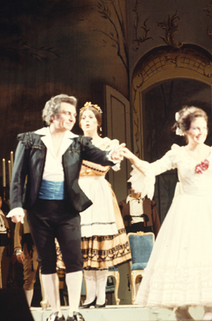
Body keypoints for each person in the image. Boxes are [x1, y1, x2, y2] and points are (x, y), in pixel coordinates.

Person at [120, 106, 212, 320]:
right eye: (195, 128)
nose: (200, 132)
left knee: (208, 254)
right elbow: (151, 169)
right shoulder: (177, 153)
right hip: (185, 209)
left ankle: (209, 307)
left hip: (211, 210)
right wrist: (130, 156)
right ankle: (182, 307)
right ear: (186, 130)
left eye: (204, 128)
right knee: (185, 255)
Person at [7, 94, 123, 321]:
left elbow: (100, 156)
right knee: (47, 261)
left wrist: (111, 155)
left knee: (74, 259)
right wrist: (17, 205)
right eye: (67, 113)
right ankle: (55, 312)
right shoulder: (30, 140)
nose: (72, 118)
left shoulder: (77, 142)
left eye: (73, 113)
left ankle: (73, 311)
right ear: (52, 115)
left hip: (68, 209)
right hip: (39, 210)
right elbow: (17, 176)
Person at [77, 102, 131, 309]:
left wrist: (80, 161)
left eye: (90, 117)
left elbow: (102, 167)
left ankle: (101, 297)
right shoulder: (75, 143)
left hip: (98, 192)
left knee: (100, 244)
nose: (86, 121)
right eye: (83, 118)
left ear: (98, 122)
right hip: (80, 191)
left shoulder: (108, 144)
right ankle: (89, 296)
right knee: (84, 247)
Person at [13, 211, 39, 307]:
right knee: (29, 276)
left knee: (47, 274)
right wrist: (18, 249)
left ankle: (49, 303)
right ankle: (27, 306)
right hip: (30, 246)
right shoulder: (23, 211)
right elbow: (18, 232)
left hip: (45, 244)